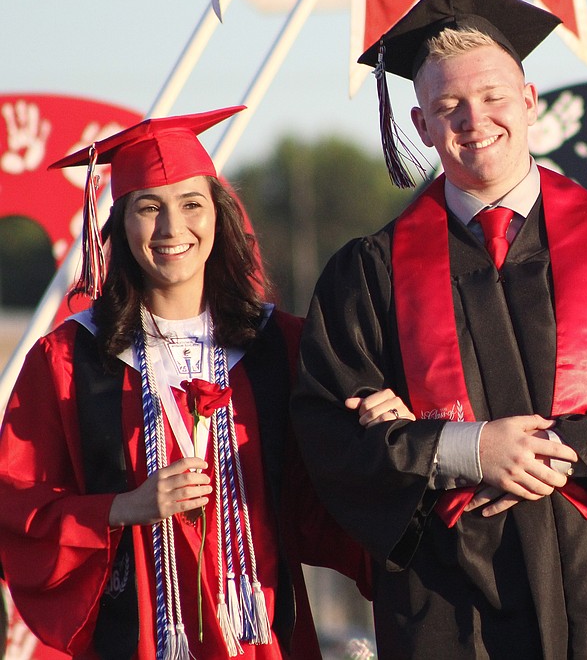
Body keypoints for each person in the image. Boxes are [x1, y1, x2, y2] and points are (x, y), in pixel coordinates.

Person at [291, 0, 587, 660]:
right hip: (448, 598)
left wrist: (575, 450)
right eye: (449, 106)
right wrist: (468, 449)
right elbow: (329, 437)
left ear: (528, 101)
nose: (474, 121)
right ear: (421, 125)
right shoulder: (367, 276)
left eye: (493, 97)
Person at [0, 107, 374, 658]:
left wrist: (377, 420)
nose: (173, 230)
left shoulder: (280, 345)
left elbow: (330, 490)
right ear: (119, 223)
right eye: (149, 208)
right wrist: (121, 507)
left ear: (220, 216)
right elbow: (19, 505)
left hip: (263, 632)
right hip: (140, 637)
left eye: (192, 204)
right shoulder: (68, 360)